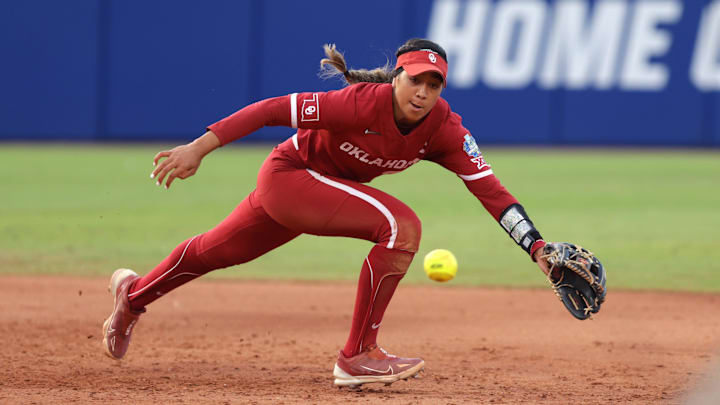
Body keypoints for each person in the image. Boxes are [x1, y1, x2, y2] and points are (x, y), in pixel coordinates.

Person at [102, 38, 552, 388]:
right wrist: (200, 147)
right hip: (289, 175)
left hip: (313, 192)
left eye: (433, 85)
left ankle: (133, 296)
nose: (423, 92)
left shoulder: (443, 129)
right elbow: (270, 110)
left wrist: (536, 246)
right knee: (400, 227)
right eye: (415, 80)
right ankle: (358, 355)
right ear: (396, 77)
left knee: (212, 252)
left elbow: (490, 190)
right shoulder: (359, 102)